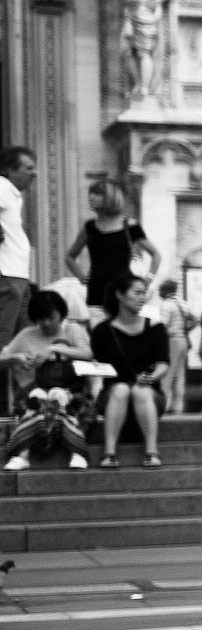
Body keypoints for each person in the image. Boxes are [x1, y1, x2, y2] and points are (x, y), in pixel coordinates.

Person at [1, 289, 94, 470]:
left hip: (72, 392)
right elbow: (2, 358)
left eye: (51, 317)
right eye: (41, 319)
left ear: (61, 314)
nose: (46, 323)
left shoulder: (72, 330)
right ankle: (22, 455)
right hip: (35, 393)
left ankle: (76, 452)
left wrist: (54, 349)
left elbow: (88, 353)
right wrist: (16, 358)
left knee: (61, 400)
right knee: (36, 402)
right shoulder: (27, 334)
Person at [88, 272, 169, 468]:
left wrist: (150, 377)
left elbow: (163, 364)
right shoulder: (102, 331)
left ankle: (151, 452)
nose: (142, 297)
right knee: (121, 389)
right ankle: (109, 453)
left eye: (144, 293)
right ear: (120, 295)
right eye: (137, 292)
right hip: (113, 396)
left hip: (149, 394)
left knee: (140, 390)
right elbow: (96, 363)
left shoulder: (156, 328)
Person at [64, 177, 158, 325]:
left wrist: (148, 280)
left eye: (97, 194)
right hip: (97, 293)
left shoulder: (130, 225)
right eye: (91, 193)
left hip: (125, 294)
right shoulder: (89, 227)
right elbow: (70, 256)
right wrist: (81, 276)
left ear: (110, 197)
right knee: (100, 335)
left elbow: (156, 254)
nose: (91, 197)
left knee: (124, 334)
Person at [0, 147, 34, 385]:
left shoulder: (12, 193)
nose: (35, 173)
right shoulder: (2, 186)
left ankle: (23, 398)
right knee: (3, 344)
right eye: (28, 168)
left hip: (18, 275)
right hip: (8, 275)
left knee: (24, 341)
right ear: (11, 170)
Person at [148, 277, 196, 415]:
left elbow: (162, 326)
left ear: (165, 290)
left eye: (160, 290)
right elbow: (195, 319)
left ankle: (164, 405)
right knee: (180, 376)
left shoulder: (166, 305)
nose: (159, 293)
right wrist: (185, 330)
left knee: (167, 375)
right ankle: (178, 407)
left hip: (171, 341)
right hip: (183, 340)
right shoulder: (183, 303)